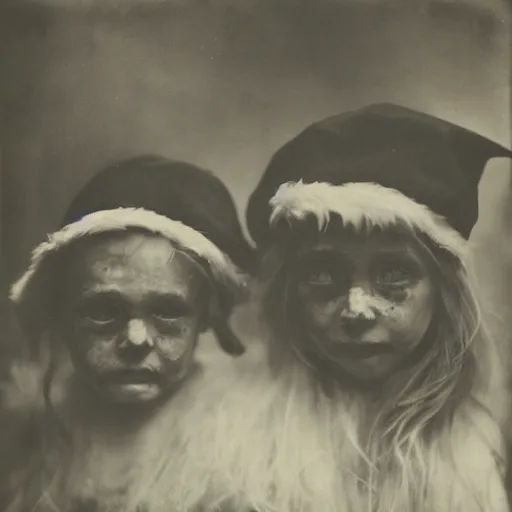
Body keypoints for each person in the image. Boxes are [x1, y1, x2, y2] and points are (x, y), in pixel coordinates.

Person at [156, 103, 512, 512]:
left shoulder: (471, 452)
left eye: (394, 275)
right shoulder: (228, 450)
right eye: (323, 277)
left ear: (446, 294)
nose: (357, 311)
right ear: (288, 294)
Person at [0, 155, 254, 512]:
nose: (136, 341)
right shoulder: (21, 447)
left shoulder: (250, 464)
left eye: (167, 311)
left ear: (206, 317)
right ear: (62, 314)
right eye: (103, 311)